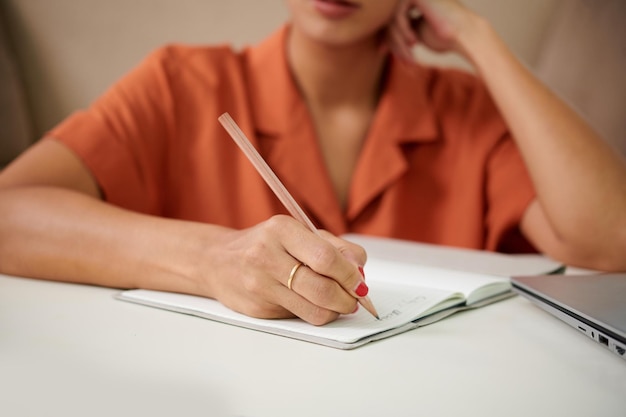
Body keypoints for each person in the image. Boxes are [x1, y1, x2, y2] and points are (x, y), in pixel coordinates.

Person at [0, 0, 625, 325]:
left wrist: (475, 35)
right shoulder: (181, 86)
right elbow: (10, 212)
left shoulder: (468, 112)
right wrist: (210, 260)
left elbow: (613, 243)